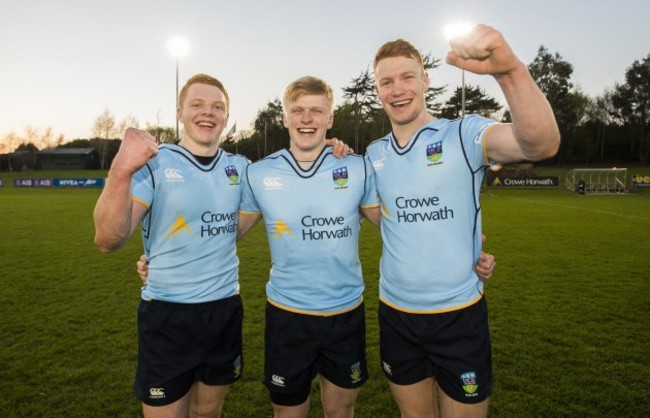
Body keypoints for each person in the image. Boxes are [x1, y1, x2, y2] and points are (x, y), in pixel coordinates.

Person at [364, 25, 560, 418]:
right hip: (396, 315)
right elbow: (384, 218)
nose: (397, 89)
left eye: (406, 77)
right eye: (386, 81)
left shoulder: (464, 133)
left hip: (459, 317)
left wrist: (509, 72)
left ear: (425, 80)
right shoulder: (373, 154)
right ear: (378, 90)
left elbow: (540, 144)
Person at [93, 73, 249, 418]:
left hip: (223, 310)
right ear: (181, 112)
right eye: (197, 104)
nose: (207, 113)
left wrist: (333, 147)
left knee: (208, 414)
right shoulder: (155, 163)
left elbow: (234, 229)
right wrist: (120, 169)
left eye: (217, 107)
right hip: (168, 315)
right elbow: (108, 239)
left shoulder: (240, 168)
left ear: (226, 116)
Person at [236, 76, 379, 418]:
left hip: (345, 314)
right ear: (285, 117)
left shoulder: (357, 167)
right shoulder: (258, 174)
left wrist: (464, 243)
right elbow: (228, 233)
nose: (306, 118)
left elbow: (397, 226)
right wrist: (163, 255)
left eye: (317, 111)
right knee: (287, 413)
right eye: (297, 110)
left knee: (341, 411)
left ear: (330, 119)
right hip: (287, 316)